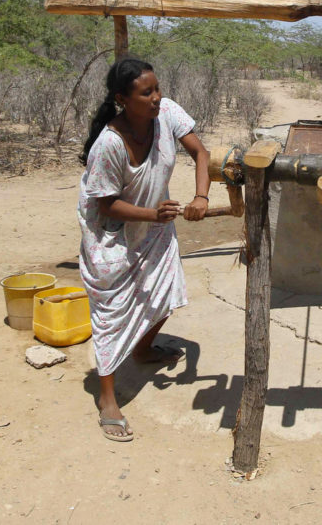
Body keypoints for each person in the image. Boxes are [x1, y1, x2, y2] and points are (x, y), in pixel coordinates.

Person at [78, 57, 210, 442]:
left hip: (154, 222)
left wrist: (201, 196)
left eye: (157, 88)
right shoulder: (108, 144)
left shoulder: (167, 114)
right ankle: (106, 398)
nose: (157, 97)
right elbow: (106, 205)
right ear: (122, 99)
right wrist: (153, 214)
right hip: (111, 233)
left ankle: (143, 348)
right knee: (110, 312)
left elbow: (200, 153)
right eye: (146, 92)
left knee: (165, 289)